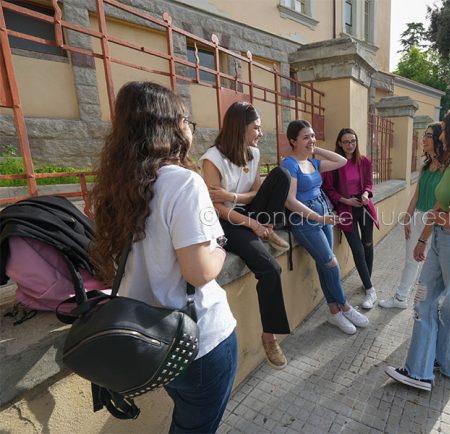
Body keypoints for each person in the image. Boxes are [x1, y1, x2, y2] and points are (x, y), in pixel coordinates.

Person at [90, 81, 237, 433]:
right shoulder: (184, 183)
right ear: (169, 127)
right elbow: (200, 271)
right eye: (186, 121)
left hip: (150, 340)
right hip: (197, 339)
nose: (189, 130)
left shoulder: (116, 186)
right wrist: (220, 243)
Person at [385, 105, 450, 392]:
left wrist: (430, 219)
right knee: (423, 300)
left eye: (445, 132)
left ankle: (448, 365)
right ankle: (420, 370)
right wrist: (422, 238)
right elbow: (439, 204)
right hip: (441, 239)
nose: (440, 138)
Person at [200, 101, 291, 370]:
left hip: (248, 209)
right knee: (270, 269)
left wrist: (233, 196)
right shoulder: (212, 159)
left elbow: (256, 192)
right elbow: (215, 207)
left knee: (282, 176)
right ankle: (270, 337)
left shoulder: (254, 152)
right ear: (241, 127)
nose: (260, 133)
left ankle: (267, 228)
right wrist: (250, 223)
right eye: (256, 128)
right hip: (227, 221)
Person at [281, 120, 370, 334]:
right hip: (305, 221)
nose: (311, 140)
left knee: (324, 265)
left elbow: (340, 161)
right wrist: (321, 220)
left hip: (323, 214)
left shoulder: (312, 162)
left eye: (312, 136)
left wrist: (314, 148)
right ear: (293, 141)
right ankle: (345, 306)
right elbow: (290, 201)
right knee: (331, 262)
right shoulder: (289, 164)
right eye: (305, 137)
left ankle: (333, 313)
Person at [378, 123, 445, 309]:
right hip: (417, 217)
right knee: (410, 260)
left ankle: (430, 305)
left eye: (429, 136)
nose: (424, 139)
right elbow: (416, 195)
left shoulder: (446, 168)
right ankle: (400, 298)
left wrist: (426, 227)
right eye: (424, 135)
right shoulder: (426, 166)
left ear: (439, 139)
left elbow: (441, 201)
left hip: (434, 222)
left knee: (431, 267)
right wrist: (407, 219)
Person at [322, 128, 379, 309]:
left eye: (353, 141)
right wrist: (346, 200)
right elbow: (329, 189)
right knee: (358, 249)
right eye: (346, 142)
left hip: (363, 206)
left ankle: (366, 282)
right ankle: (371, 290)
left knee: (368, 245)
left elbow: (369, 183)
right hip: (346, 209)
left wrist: (364, 194)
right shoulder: (334, 164)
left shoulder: (364, 161)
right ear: (339, 143)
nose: (350, 145)